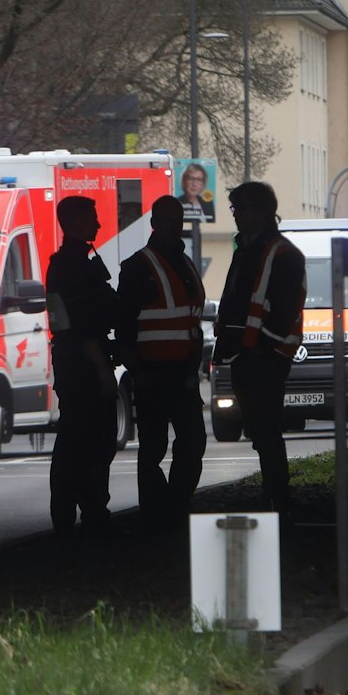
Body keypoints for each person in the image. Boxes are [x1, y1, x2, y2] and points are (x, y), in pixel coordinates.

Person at [214, 180, 306, 520]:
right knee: (261, 432)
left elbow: (283, 312)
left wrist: (261, 351)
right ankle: (275, 497)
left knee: (267, 433)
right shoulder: (246, 250)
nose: (236, 216)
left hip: (266, 358)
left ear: (262, 212)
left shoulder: (283, 255)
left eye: (240, 209)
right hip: (246, 356)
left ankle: (279, 499)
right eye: (234, 209)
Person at [117, 195, 207, 535]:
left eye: (178, 220)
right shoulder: (138, 266)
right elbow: (125, 325)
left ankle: (175, 504)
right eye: (167, 220)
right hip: (152, 374)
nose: (174, 227)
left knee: (193, 442)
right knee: (152, 447)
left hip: (183, 374)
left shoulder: (185, 264)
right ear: (155, 223)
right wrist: (138, 371)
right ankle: (156, 515)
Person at [45, 195, 124, 536]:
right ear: (76, 222)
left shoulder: (64, 263)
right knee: (93, 439)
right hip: (84, 364)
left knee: (76, 438)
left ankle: (70, 511)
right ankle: (90, 511)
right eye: (92, 217)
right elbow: (85, 326)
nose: (98, 224)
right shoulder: (75, 267)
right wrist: (104, 371)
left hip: (71, 361)